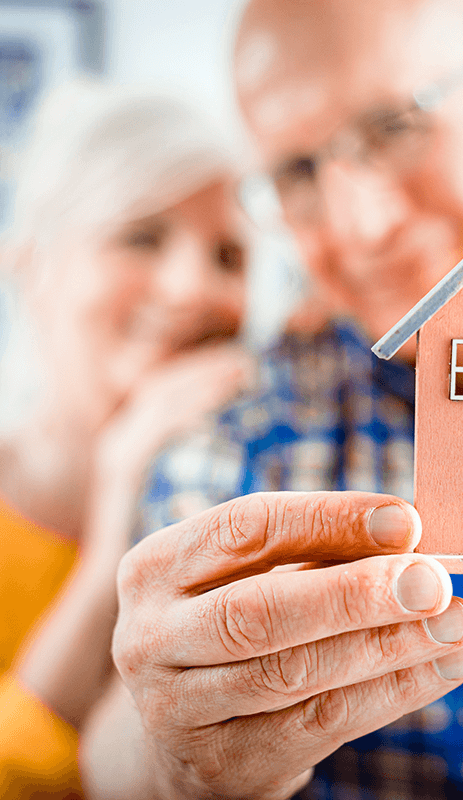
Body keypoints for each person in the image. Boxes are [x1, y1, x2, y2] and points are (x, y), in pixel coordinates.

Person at [81, 1, 463, 798]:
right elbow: (116, 742)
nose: (361, 225)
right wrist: (172, 759)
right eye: (298, 174)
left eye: (394, 125)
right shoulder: (235, 442)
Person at [0, 80, 252, 798]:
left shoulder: (231, 515)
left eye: (229, 257)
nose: (191, 289)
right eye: (142, 236)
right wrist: (114, 524)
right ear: (31, 268)